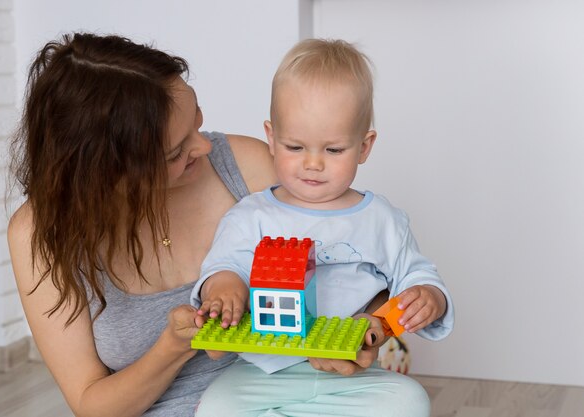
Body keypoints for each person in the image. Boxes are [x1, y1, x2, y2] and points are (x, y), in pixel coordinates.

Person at [6, 32, 279, 417]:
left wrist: (366, 327)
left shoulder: (246, 168)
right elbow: (90, 404)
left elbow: (351, 255)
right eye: (175, 152)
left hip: (292, 396)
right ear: (107, 173)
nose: (202, 147)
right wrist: (172, 347)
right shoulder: (41, 236)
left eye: (197, 122)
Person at [191, 39, 454, 416]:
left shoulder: (381, 218)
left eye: (333, 150)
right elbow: (223, 266)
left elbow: (415, 275)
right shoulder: (251, 216)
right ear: (271, 137)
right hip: (262, 373)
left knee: (409, 401)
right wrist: (224, 289)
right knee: (217, 407)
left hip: (353, 374)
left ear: (364, 147)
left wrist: (429, 296)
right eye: (295, 147)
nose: (313, 164)